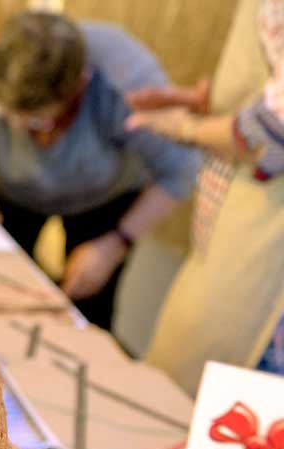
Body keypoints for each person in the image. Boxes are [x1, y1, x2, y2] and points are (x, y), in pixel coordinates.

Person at [0, 11, 201, 331]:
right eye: (9, 117)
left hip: (104, 199)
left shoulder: (127, 80)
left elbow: (180, 171)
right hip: (9, 190)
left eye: (37, 121)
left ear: (80, 86)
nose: (20, 129)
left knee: (88, 311)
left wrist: (116, 243)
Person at [126, 0, 284, 392]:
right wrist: (204, 102)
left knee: (233, 404)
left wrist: (183, 127)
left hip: (266, 237)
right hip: (235, 221)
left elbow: (268, 136)